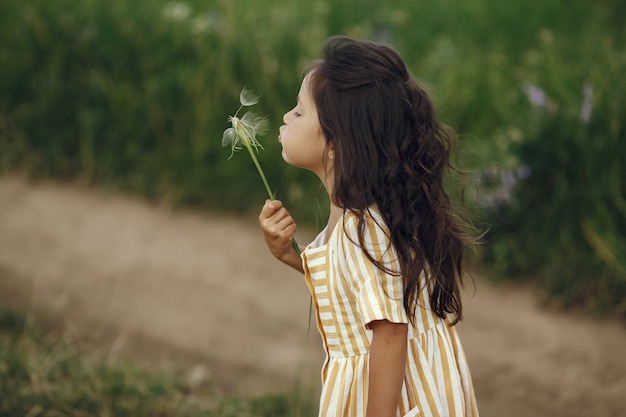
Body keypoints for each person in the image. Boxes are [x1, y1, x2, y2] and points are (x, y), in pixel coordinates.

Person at [259, 36, 479, 417]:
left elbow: (391, 334)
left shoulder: (364, 228)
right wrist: (291, 257)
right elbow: (354, 290)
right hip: (414, 387)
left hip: (396, 399)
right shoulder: (361, 213)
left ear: (335, 142)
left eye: (298, 112)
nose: (285, 119)